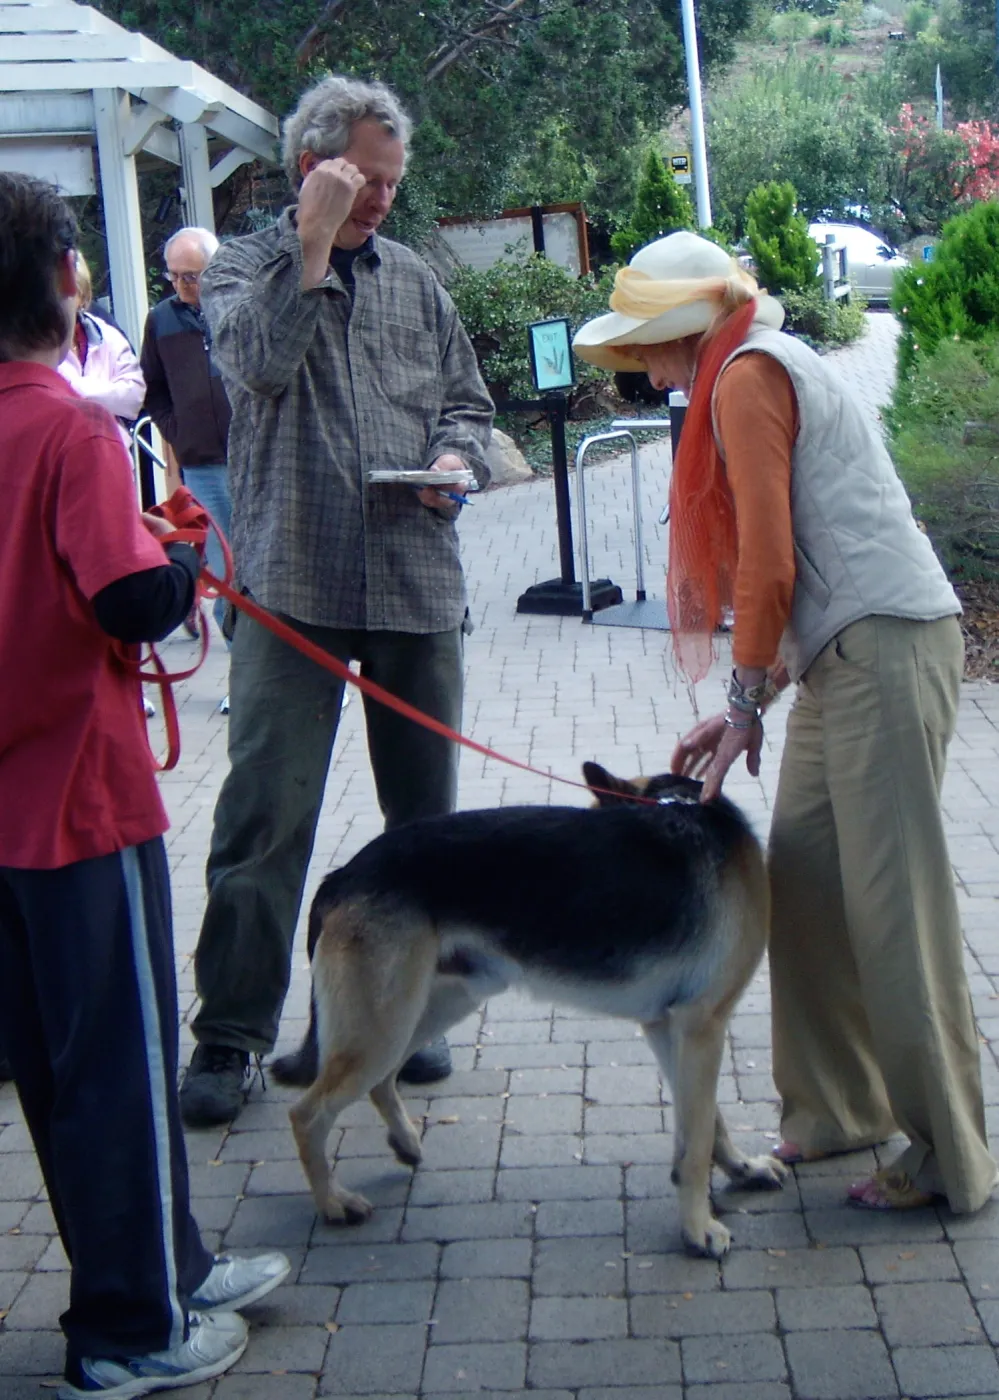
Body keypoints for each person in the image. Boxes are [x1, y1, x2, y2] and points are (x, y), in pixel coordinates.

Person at [572, 230, 997, 1217]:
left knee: (897, 911)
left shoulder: (746, 375)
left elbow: (770, 565)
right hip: (848, 654)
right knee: (801, 881)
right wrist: (747, 710)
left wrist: (740, 700)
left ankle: (951, 1154)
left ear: (689, 329)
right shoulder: (750, 357)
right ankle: (839, 1104)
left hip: (883, 648)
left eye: (648, 345)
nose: (644, 365)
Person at [0, 172, 290, 1398]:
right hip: (76, 796)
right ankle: (128, 1326)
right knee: (116, 1066)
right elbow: (130, 597)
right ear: (69, 279)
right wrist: (177, 564)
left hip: (10, 817)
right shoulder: (64, 429)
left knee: (64, 1070)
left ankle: (162, 1265)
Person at [177, 74, 494, 1127]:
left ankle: (407, 1025)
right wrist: (311, 251)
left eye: (393, 182)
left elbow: (470, 402)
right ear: (314, 163)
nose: (383, 201)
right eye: (365, 178)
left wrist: (456, 455)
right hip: (293, 586)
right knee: (267, 818)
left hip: (413, 577)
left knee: (427, 827)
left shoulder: (416, 282)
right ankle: (231, 1035)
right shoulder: (241, 269)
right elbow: (260, 367)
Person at [140, 226, 233, 711]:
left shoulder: (241, 304)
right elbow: (151, 386)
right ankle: (244, 678)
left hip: (256, 460)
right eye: (173, 277)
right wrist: (176, 430)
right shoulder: (162, 320)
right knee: (222, 575)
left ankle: (311, 678)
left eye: (190, 277)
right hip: (202, 467)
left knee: (271, 571)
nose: (181, 286)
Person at [58, 252, 145, 453]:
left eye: (69, 294)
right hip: (65, 453)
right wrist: (108, 392)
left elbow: (135, 397)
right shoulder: (39, 341)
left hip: (114, 453)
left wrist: (78, 387)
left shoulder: (106, 333)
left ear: (82, 296)